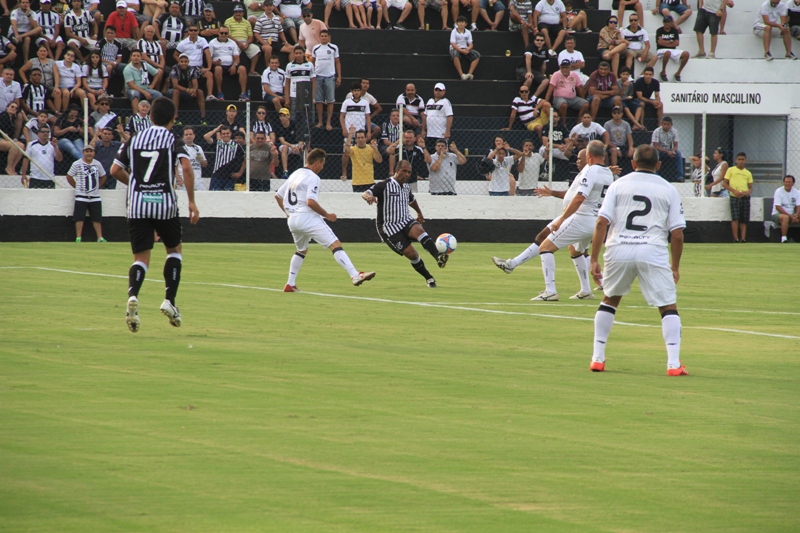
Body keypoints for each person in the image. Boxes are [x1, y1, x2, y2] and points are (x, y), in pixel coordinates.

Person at [589, 143, 687, 375]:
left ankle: (597, 358)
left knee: (609, 299)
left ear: (632, 164)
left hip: (619, 248)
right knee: (667, 306)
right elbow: (677, 234)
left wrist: (593, 258)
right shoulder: (669, 189)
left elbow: (601, 222)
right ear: (659, 164)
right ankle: (673, 364)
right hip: (652, 250)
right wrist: (675, 266)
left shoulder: (617, 185)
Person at [110, 97, 200, 332]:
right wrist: (191, 201)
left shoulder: (135, 139)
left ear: (150, 117)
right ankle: (169, 301)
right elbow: (187, 167)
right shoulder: (173, 139)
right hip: (165, 204)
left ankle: (133, 296)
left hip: (137, 206)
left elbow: (115, 170)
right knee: (174, 251)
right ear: (173, 118)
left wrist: (135, 184)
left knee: (141, 258)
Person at [492, 146, 603, 300]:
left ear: (589, 157)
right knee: (575, 250)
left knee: (545, 245)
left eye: (580, 158)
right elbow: (572, 194)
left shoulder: (590, 172)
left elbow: (579, 198)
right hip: (588, 218)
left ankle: (550, 290)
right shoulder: (592, 173)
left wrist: (562, 218)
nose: (577, 161)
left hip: (579, 217)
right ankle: (587, 290)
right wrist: (551, 193)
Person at [276, 148, 375, 292]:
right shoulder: (313, 178)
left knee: (301, 250)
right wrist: (327, 215)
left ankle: (290, 284)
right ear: (317, 163)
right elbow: (310, 202)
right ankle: (354, 275)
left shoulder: (295, 174)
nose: (322, 167)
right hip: (307, 218)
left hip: (292, 220)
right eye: (322, 164)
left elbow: (278, 196)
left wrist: (288, 213)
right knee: (335, 244)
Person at [362, 160, 451, 291]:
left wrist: (419, 213)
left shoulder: (406, 187)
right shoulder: (384, 185)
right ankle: (429, 278)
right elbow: (366, 192)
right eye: (404, 171)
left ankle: (438, 256)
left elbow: (411, 200)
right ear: (397, 171)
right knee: (413, 255)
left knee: (419, 230)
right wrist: (368, 197)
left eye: (409, 172)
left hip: (405, 220)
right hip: (389, 228)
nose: (407, 174)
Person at [66, 144, 107, 242]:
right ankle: (78, 237)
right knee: (79, 217)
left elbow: (103, 176)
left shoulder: (97, 164)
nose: (89, 153)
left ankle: (99, 237)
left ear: (94, 153)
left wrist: (98, 186)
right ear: (83, 153)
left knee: (97, 218)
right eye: (87, 151)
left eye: (91, 151)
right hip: (81, 196)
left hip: (95, 196)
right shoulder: (77, 164)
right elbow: (69, 176)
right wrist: (77, 187)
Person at [174, 23, 215, 100]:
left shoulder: (202, 40)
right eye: (191, 30)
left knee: (209, 74)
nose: (193, 32)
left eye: (195, 30)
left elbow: (207, 53)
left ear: (198, 31)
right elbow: (175, 55)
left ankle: (209, 95)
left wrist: (209, 67)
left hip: (199, 67)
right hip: (188, 67)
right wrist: (183, 64)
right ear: (188, 31)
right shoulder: (183, 43)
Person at [311, 29, 340, 131]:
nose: (323, 37)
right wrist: (312, 76)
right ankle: (320, 121)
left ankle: (328, 122)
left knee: (330, 100)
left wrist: (339, 76)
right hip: (318, 76)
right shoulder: (315, 48)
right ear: (319, 37)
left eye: (325, 36)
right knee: (318, 100)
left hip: (330, 76)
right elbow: (312, 62)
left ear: (329, 37)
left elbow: (337, 62)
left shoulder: (333, 47)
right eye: (322, 36)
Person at [339, 81, 369, 179]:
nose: (356, 93)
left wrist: (368, 131)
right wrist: (344, 129)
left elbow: (368, 117)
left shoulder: (365, 103)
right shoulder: (346, 102)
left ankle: (361, 174)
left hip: (360, 132)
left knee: (361, 153)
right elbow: (341, 116)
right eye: (355, 91)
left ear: (361, 91)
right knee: (346, 153)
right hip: (349, 132)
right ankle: (344, 173)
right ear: (351, 91)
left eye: (358, 91)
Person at [209, 26, 248, 101]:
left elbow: (237, 58)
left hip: (231, 65)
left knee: (242, 68)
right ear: (218, 33)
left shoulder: (232, 43)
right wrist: (214, 63)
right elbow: (208, 59)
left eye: (225, 33)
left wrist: (234, 65)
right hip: (219, 66)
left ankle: (243, 93)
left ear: (228, 34)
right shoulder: (212, 43)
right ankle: (219, 92)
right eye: (222, 33)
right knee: (218, 69)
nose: (223, 34)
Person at [203, 124, 245, 190]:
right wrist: (216, 129)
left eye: (227, 133)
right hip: (217, 174)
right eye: (224, 133)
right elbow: (206, 136)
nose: (226, 135)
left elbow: (245, 159)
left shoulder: (236, 145)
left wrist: (240, 172)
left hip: (230, 176)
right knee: (214, 195)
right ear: (221, 135)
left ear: (231, 134)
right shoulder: (217, 143)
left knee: (228, 197)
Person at [224, 4, 261, 78]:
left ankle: (252, 71)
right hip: (233, 42)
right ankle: (231, 69)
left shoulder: (247, 22)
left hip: (245, 42)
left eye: (240, 12)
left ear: (243, 13)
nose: (238, 14)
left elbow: (251, 36)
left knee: (256, 49)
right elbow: (228, 35)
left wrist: (247, 43)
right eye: (236, 12)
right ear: (233, 13)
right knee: (231, 52)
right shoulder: (228, 21)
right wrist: (238, 43)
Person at [723, 152, 753, 242]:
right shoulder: (731, 170)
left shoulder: (748, 173)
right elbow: (724, 184)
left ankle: (743, 238)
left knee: (744, 219)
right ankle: (735, 238)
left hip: (744, 197)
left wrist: (748, 192)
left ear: (745, 160)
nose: (740, 161)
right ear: (736, 160)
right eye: (739, 159)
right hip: (734, 197)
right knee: (735, 218)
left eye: (742, 159)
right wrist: (734, 191)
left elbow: (751, 187)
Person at [169, 53, 207, 123]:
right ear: (179, 62)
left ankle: (203, 118)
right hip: (172, 91)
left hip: (187, 91)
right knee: (176, 91)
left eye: (185, 61)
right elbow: (175, 85)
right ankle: (175, 117)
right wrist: (188, 90)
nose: (183, 63)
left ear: (188, 62)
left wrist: (194, 91)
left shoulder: (192, 69)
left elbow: (195, 84)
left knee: (200, 92)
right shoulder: (174, 69)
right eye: (182, 61)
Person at [343, 126, 382, 193]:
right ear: (356, 139)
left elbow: (379, 160)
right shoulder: (353, 149)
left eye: (362, 137)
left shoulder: (371, 148)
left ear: (365, 138)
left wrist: (375, 149)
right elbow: (346, 149)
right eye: (358, 138)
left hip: (369, 181)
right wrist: (350, 134)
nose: (360, 139)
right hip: (357, 182)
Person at [651, 15, 689, 82]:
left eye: (668, 22)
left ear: (671, 23)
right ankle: (663, 72)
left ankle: (678, 73)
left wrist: (665, 42)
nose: (666, 23)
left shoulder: (674, 31)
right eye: (665, 22)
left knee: (686, 54)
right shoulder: (659, 30)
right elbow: (659, 43)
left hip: (673, 50)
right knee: (667, 52)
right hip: (661, 50)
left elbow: (677, 43)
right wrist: (671, 41)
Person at [284, 46, 316, 117]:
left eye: (300, 53)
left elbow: (313, 81)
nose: (298, 55)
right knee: (294, 116)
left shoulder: (310, 65)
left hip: (306, 95)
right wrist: (287, 98)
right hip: (294, 95)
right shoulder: (289, 66)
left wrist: (313, 96)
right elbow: (287, 83)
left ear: (303, 54)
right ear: (294, 54)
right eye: (296, 53)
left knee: (309, 116)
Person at [517, 33, 551, 98]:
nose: (539, 42)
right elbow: (528, 58)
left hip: (535, 71)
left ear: (544, 42)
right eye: (537, 40)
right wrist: (529, 71)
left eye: (541, 40)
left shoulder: (545, 50)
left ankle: (533, 98)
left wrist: (542, 74)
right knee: (529, 78)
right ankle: (522, 98)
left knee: (546, 81)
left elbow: (544, 65)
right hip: (523, 68)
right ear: (534, 40)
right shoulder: (530, 47)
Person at [422, 82, 453, 152]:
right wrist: (423, 130)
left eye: (440, 90)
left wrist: (447, 131)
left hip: (440, 134)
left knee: (441, 153)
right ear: (434, 91)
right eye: (436, 90)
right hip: (429, 134)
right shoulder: (430, 101)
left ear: (444, 92)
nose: (438, 92)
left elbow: (450, 117)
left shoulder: (445, 102)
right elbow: (425, 116)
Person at [651, 116, 682, 182]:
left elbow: (676, 145)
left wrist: (673, 151)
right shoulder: (657, 131)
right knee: (656, 153)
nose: (666, 126)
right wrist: (667, 151)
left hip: (668, 150)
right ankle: (655, 175)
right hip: (658, 150)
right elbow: (655, 145)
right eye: (664, 124)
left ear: (671, 125)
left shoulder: (674, 131)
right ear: (661, 124)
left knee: (678, 153)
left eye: (668, 124)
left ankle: (680, 176)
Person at [176, 126, 208, 191]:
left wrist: (201, 160)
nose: (188, 136)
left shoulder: (198, 148)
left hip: (198, 181)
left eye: (190, 134)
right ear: (183, 137)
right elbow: (175, 166)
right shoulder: (180, 149)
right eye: (186, 135)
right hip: (184, 180)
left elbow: (205, 164)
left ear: (194, 136)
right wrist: (178, 178)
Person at [275, 107, 303, 177]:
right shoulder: (278, 126)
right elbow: (282, 141)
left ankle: (308, 170)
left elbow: (301, 138)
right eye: (280, 116)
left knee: (304, 147)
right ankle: (285, 171)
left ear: (289, 116)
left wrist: (298, 146)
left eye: (284, 116)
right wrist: (292, 146)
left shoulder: (295, 124)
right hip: (286, 145)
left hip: (296, 144)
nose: (282, 118)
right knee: (284, 148)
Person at [450, 16, 480, 80]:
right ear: (457, 23)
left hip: (465, 48)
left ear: (465, 24)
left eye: (462, 22)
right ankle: (462, 75)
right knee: (455, 54)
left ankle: (469, 74)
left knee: (477, 55)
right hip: (456, 48)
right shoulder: (454, 31)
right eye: (459, 22)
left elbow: (471, 44)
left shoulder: (468, 32)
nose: (461, 24)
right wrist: (461, 50)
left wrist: (467, 49)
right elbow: (453, 44)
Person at [772, 175, 800, 243]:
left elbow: (798, 205)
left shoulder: (797, 192)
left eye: (789, 182)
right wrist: (791, 216)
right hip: (778, 214)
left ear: (793, 183)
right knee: (786, 218)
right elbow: (778, 207)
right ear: (783, 183)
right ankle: (784, 238)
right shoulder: (778, 191)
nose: (787, 184)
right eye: (786, 182)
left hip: (792, 215)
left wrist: (796, 215)